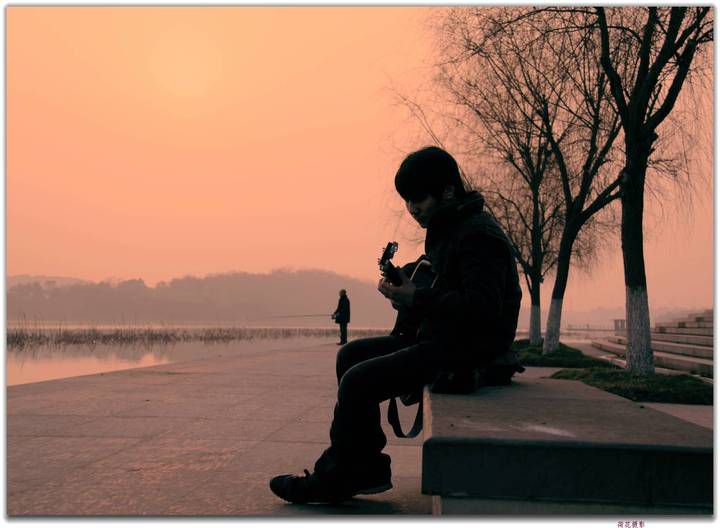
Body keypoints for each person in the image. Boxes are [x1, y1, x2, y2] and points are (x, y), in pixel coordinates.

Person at [269, 146, 523, 504]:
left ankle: (337, 476)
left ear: (448, 192)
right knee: (350, 356)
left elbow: (483, 310)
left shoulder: (478, 236)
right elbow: (444, 289)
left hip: (469, 350)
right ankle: (366, 465)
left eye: (419, 199)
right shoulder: (452, 228)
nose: (412, 208)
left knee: (358, 381)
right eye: (407, 201)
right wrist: (407, 292)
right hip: (445, 337)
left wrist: (416, 298)